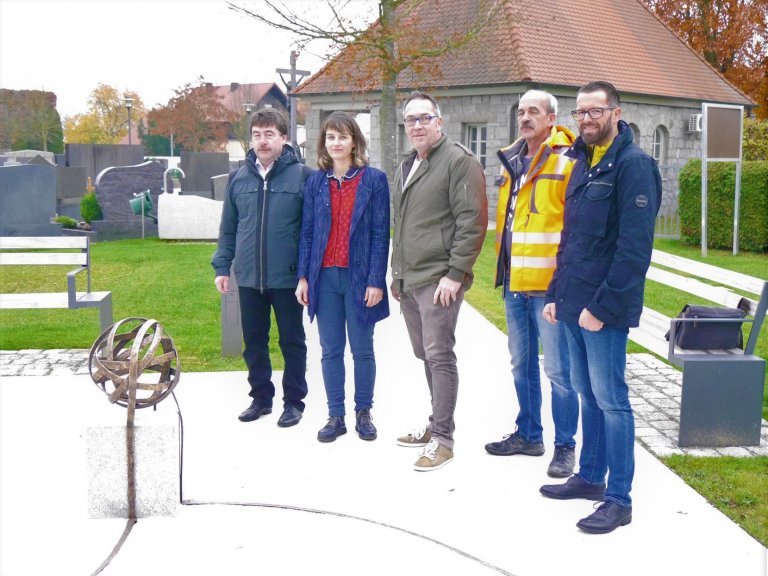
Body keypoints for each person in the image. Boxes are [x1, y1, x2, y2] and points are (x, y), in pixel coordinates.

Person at [540, 81, 661, 534]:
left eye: (595, 111)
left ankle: (619, 498)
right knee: (586, 394)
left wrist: (603, 307)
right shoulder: (582, 164)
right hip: (571, 302)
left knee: (612, 401)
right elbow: (569, 239)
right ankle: (590, 477)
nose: (586, 119)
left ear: (616, 112)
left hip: (602, 310)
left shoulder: (634, 167)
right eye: (580, 113)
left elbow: (634, 250)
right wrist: (554, 293)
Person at [484, 90, 579, 478]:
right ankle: (528, 434)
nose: (525, 118)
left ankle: (565, 446)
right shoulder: (512, 159)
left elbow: (574, 224)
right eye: (521, 112)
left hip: (550, 287)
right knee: (521, 365)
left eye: (533, 112)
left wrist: (564, 281)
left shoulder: (568, 158)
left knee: (559, 371)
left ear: (551, 118)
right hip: (515, 284)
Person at [391, 91, 488, 471]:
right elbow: (404, 226)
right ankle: (435, 424)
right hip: (411, 279)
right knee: (424, 354)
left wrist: (455, 274)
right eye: (410, 119)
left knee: (440, 355)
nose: (416, 125)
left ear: (439, 122)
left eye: (424, 118)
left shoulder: (458, 162)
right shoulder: (408, 164)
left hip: (438, 279)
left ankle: (444, 440)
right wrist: (397, 275)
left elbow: (472, 222)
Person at [212, 108, 312, 428]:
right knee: (254, 340)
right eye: (257, 134)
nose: (262, 140)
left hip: (288, 277)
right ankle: (261, 398)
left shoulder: (304, 177)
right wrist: (222, 267)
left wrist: (306, 275)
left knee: (291, 341)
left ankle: (294, 402)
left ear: (284, 138)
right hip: (250, 276)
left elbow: (311, 232)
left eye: (269, 134)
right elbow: (229, 228)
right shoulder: (238, 179)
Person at [296, 112, 390, 443]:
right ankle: (335, 415)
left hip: (359, 277)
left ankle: (363, 412)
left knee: (362, 348)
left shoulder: (374, 180)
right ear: (324, 143)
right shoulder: (315, 182)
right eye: (330, 137)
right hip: (324, 278)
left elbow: (381, 233)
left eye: (343, 136)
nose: (336, 143)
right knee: (330, 349)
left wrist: (376, 280)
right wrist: (304, 277)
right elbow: (307, 232)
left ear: (354, 141)